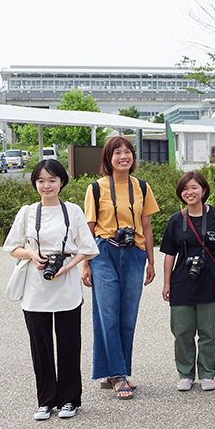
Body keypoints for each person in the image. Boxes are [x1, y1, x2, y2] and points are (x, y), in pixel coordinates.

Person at [3, 160, 99, 420]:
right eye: (41, 181)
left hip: (65, 285)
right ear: (35, 184)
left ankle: (70, 400)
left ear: (62, 182)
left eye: (52, 180)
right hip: (35, 286)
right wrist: (32, 254)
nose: (47, 185)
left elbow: (88, 248)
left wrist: (68, 267)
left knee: (69, 343)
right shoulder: (27, 212)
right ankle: (45, 400)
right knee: (40, 346)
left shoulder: (73, 211)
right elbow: (12, 247)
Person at [81, 136, 159, 400]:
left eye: (128, 152)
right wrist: (85, 265)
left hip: (134, 254)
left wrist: (151, 260)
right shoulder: (96, 188)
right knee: (108, 314)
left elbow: (147, 227)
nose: (123, 156)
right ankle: (118, 375)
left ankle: (117, 370)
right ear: (108, 158)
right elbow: (88, 230)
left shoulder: (143, 187)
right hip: (104, 252)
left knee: (128, 317)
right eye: (117, 152)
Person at [160, 171, 215, 392]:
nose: (189, 192)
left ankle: (207, 373)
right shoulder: (175, 220)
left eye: (194, 187)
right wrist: (166, 283)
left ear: (204, 190)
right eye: (185, 188)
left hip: (212, 281)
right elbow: (168, 254)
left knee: (209, 332)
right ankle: (185, 374)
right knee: (182, 331)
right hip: (182, 282)